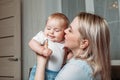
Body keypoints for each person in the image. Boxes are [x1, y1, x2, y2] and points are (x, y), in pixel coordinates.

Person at [34, 12, 111, 80]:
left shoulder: (76, 68)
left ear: (83, 43)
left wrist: (41, 62)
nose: (65, 31)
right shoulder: (86, 64)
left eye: (70, 30)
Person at [28, 12, 72, 80]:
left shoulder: (64, 42)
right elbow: (31, 43)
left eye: (56, 30)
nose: (51, 32)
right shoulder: (43, 36)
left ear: (64, 32)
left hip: (57, 73)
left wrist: (70, 54)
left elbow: (69, 51)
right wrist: (42, 50)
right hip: (42, 70)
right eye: (48, 28)